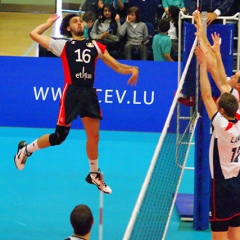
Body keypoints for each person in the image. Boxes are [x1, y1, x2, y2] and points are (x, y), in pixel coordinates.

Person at [14, 13, 139, 195]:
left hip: (89, 93)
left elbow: (117, 66)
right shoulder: (63, 45)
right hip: (71, 93)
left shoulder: (95, 45)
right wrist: (48, 23)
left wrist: (132, 69)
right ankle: (25, 150)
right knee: (59, 137)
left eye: (80, 21)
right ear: (68, 28)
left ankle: (94, 174)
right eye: (74, 21)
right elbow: (34, 34)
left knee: (94, 137)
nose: (79, 23)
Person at [194, 12, 240, 239]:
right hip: (237, 181)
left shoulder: (222, 125)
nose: (233, 75)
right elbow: (219, 74)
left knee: (220, 234)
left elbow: (206, 91)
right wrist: (213, 48)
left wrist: (200, 31)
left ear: (221, 110)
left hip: (222, 187)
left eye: (236, 75)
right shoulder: (237, 111)